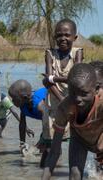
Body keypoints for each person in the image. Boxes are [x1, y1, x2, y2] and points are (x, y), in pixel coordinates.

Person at [41, 63, 103, 180]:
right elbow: (54, 152)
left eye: (84, 94)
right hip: (79, 139)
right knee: (75, 174)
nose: (78, 99)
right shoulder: (64, 108)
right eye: (73, 93)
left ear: (96, 90)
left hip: (100, 137)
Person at [41, 18, 83, 165]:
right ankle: (43, 172)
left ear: (75, 37)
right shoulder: (50, 53)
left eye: (67, 35)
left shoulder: (78, 53)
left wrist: (53, 78)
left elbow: (76, 78)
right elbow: (47, 83)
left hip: (72, 105)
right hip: (54, 104)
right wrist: (61, 98)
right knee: (51, 145)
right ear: (54, 37)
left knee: (75, 143)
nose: (63, 38)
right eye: (59, 35)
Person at [8, 79, 48, 154]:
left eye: (14, 99)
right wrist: (22, 144)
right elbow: (22, 125)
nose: (12, 101)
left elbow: (47, 127)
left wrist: (36, 146)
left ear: (25, 97)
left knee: (48, 146)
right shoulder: (23, 105)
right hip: (46, 119)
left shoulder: (39, 105)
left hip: (55, 113)